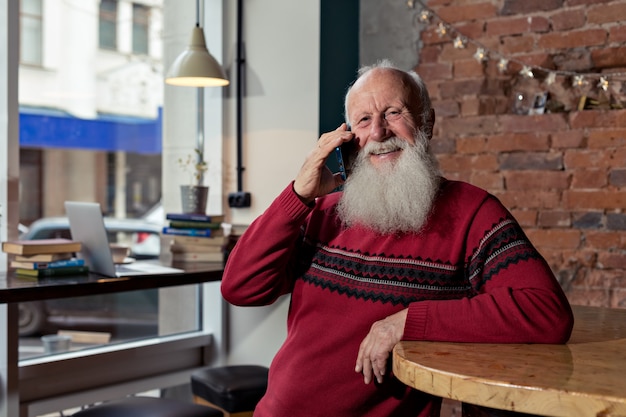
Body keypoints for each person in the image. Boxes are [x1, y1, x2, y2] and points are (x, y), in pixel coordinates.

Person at [221, 59, 574, 417]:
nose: (378, 132)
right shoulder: (323, 211)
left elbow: (547, 313)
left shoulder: (473, 212)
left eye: (393, 113)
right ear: (348, 137)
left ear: (427, 123)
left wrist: (406, 322)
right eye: (363, 120)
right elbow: (240, 288)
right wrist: (297, 195)